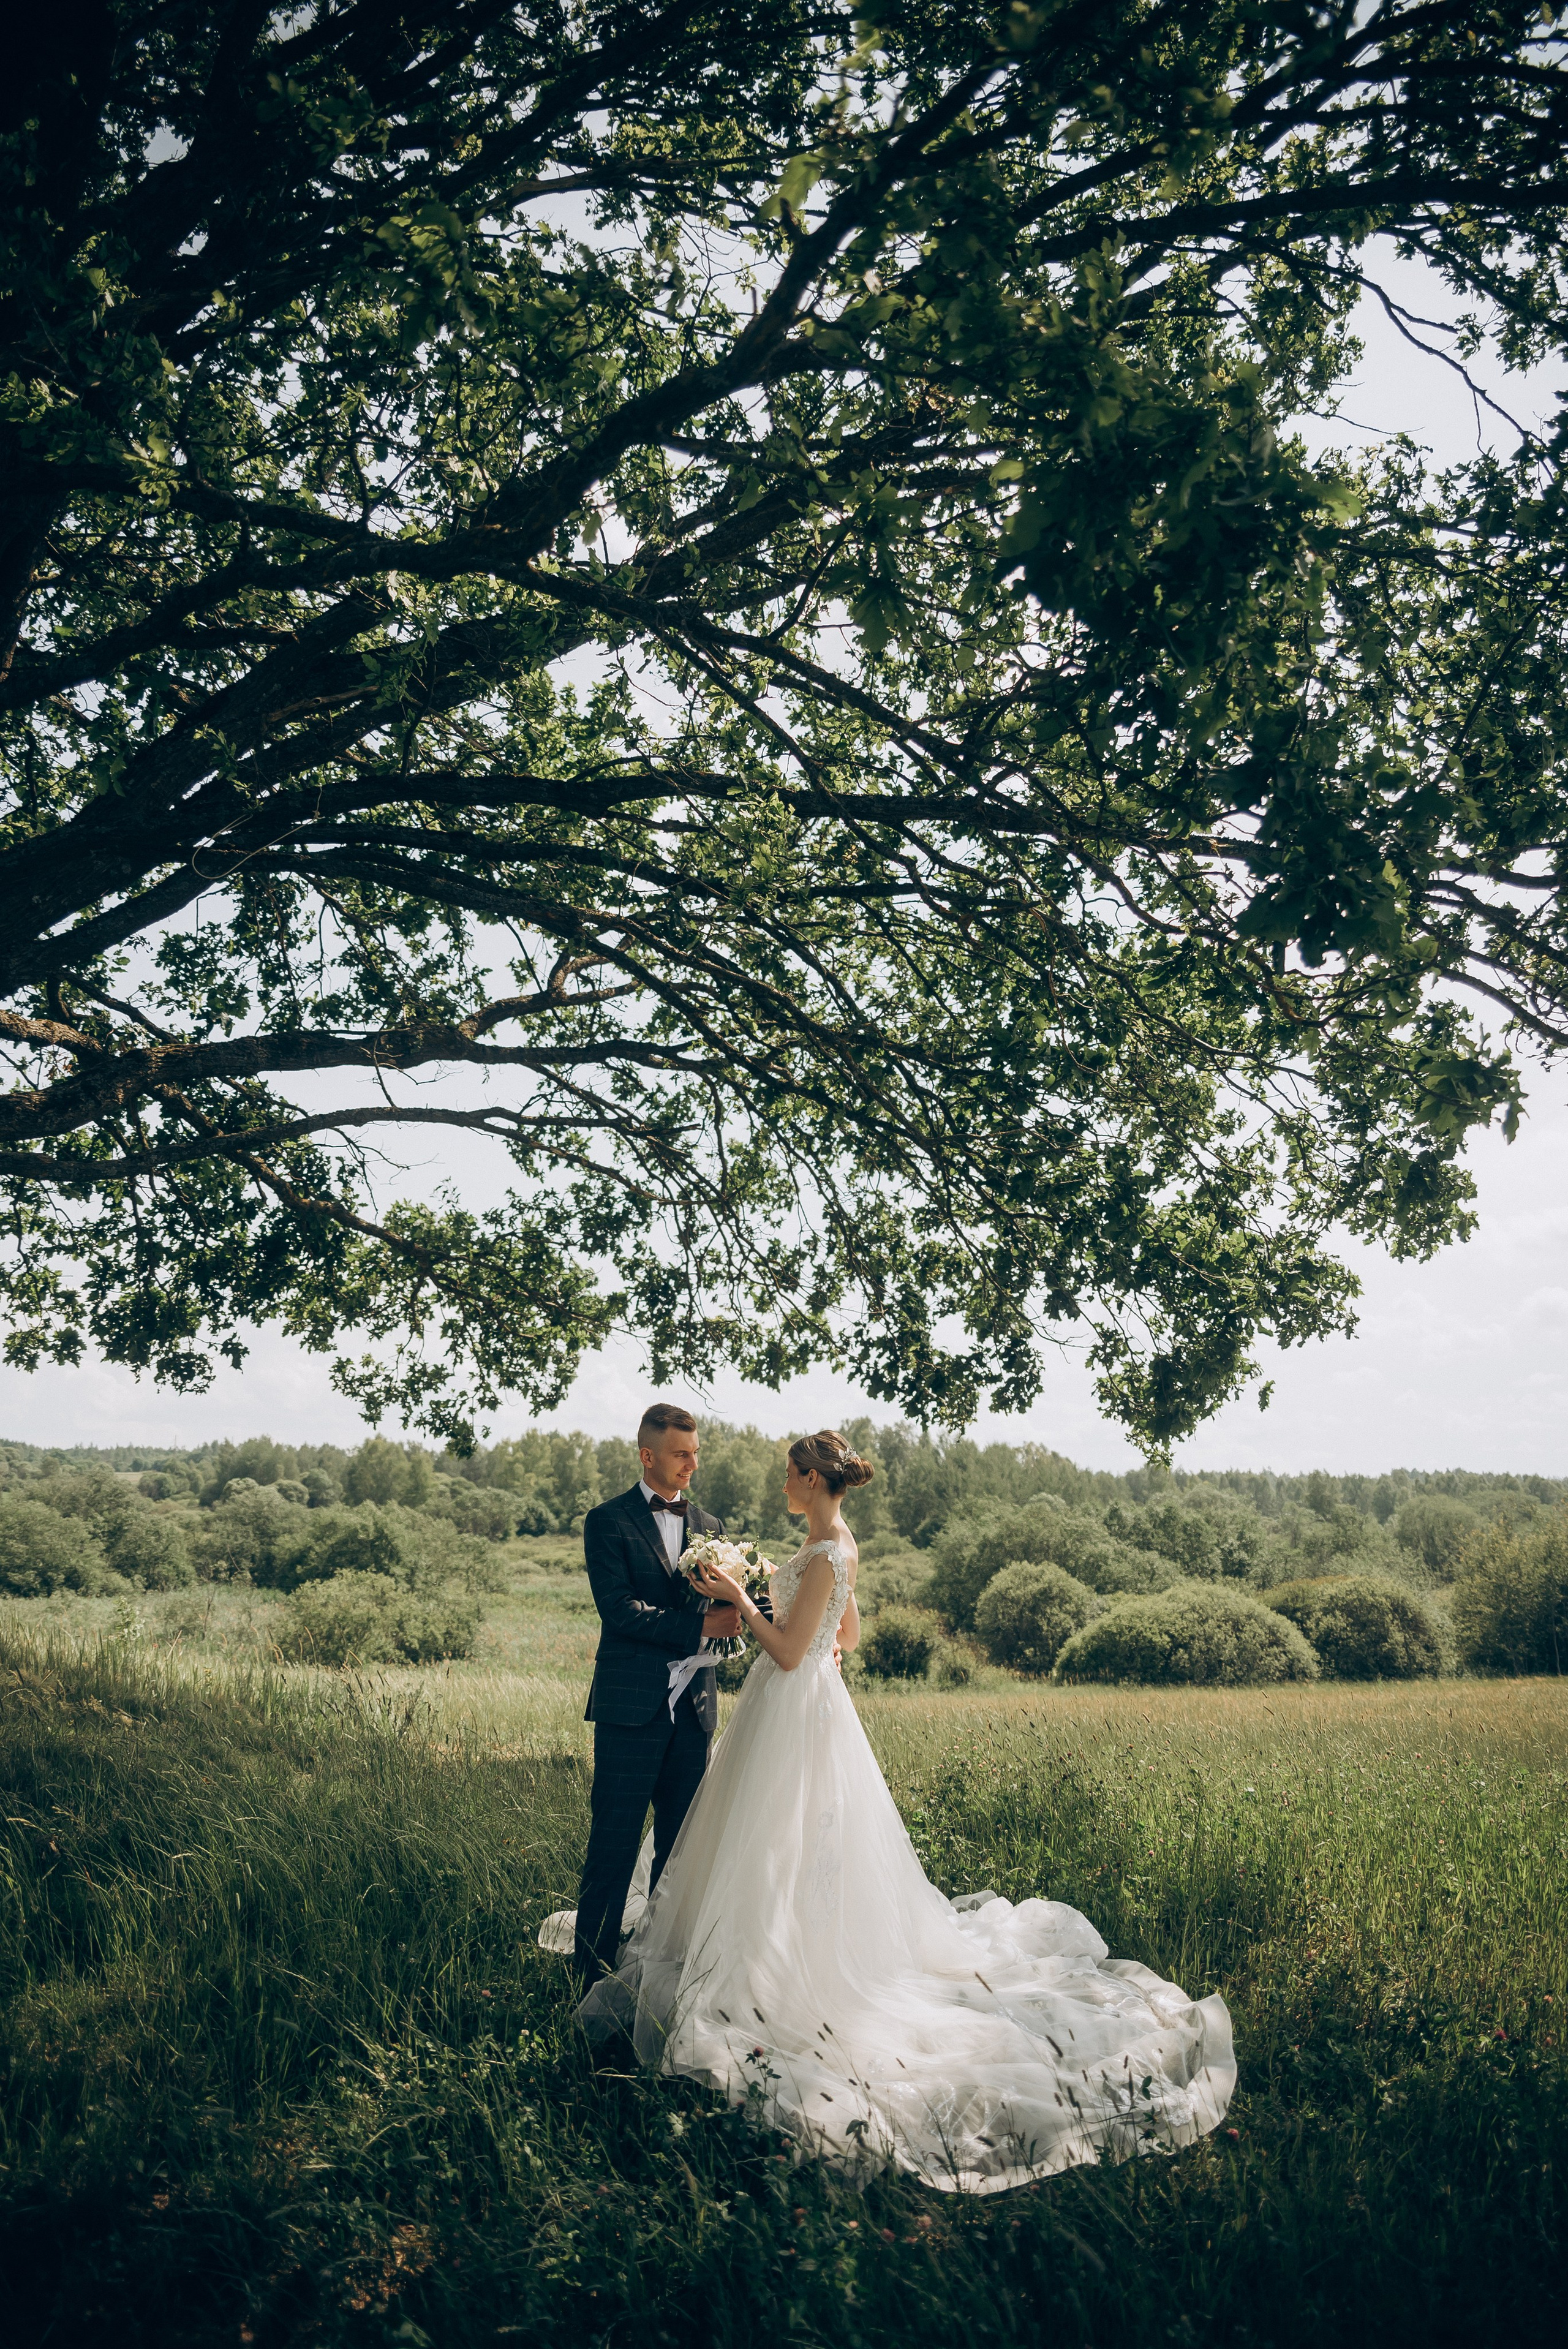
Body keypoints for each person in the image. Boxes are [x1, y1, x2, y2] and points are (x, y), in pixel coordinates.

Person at [551, 1428, 1236, 2195]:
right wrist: (806, 1637)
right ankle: (746, 1942)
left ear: (812, 1479)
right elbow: (841, 1635)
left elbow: (785, 1651)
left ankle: (767, 1964)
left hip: (790, 1706)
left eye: (790, 1473)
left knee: (777, 1840)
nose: (784, 1481)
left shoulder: (827, 1549)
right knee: (789, 1846)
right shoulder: (838, 1546)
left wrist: (745, 1601)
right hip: (808, 1706)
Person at [568, 1403, 739, 1991]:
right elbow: (618, 1612)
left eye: (695, 1453)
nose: (692, 1463)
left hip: (695, 1713)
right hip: (629, 1708)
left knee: (681, 1851)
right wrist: (699, 1627)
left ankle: (662, 1973)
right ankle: (587, 1973)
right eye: (681, 1453)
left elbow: (731, 1605)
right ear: (648, 1456)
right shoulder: (607, 1521)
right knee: (613, 1843)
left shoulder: (712, 1526)